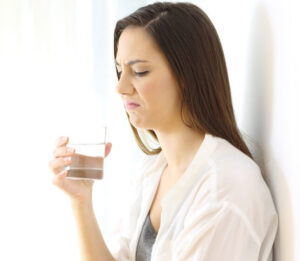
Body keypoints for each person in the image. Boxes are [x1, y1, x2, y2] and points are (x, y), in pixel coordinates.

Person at [48, 2, 278, 260]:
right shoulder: (154, 169)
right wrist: (81, 201)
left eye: (139, 71)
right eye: (119, 71)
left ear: (187, 75)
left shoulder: (227, 187)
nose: (121, 87)